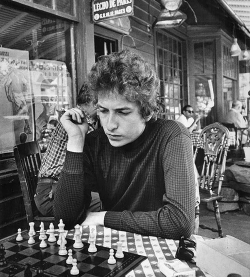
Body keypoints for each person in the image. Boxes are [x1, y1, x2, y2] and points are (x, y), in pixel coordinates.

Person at [54, 50, 196, 240]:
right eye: (103, 111)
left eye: (123, 112)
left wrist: (104, 217)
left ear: (146, 112)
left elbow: (179, 223)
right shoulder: (94, 142)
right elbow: (65, 220)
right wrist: (76, 141)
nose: (110, 124)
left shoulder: (171, 135)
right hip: (116, 248)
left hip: (165, 250)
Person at [34, 82, 100, 217]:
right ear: (95, 103)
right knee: (109, 203)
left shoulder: (75, 117)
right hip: (51, 196)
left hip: (55, 189)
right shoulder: (77, 121)